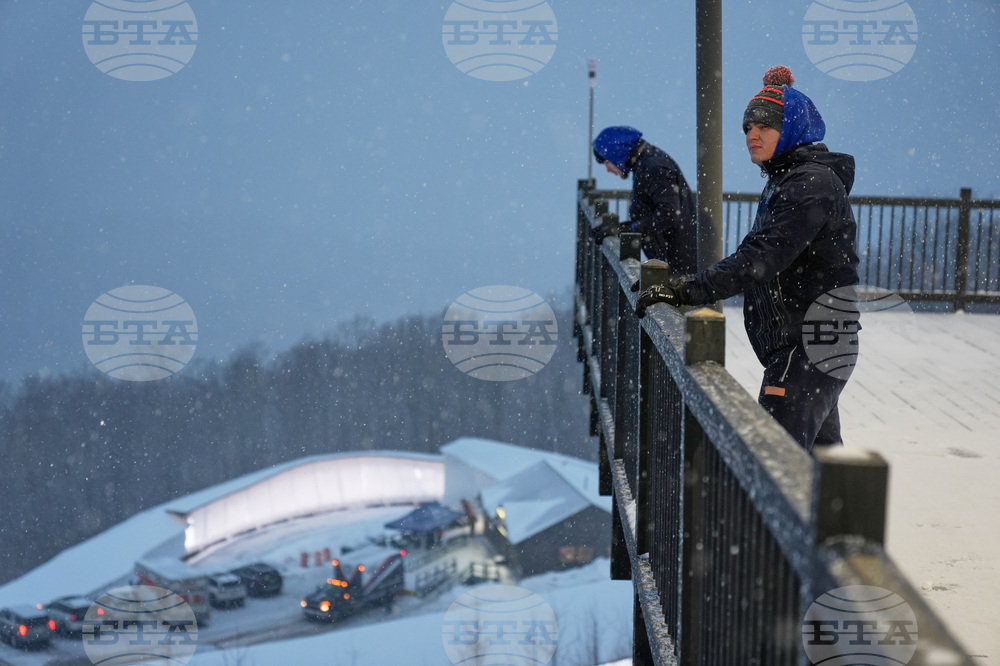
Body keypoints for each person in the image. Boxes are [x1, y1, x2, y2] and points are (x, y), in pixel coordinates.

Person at [634, 66, 860, 452]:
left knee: (769, 461)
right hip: (813, 344)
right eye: (747, 128)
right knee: (815, 469)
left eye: (764, 126)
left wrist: (687, 289)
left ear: (791, 128)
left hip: (809, 346)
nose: (752, 135)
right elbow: (757, 255)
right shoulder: (788, 179)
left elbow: (759, 259)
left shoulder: (809, 185)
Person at [592, 126, 699, 273]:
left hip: (679, 266)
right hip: (674, 262)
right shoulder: (646, 163)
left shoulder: (654, 167)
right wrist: (625, 228)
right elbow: (654, 212)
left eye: (606, 162)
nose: (608, 170)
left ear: (616, 153)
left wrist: (631, 230)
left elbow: (669, 214)